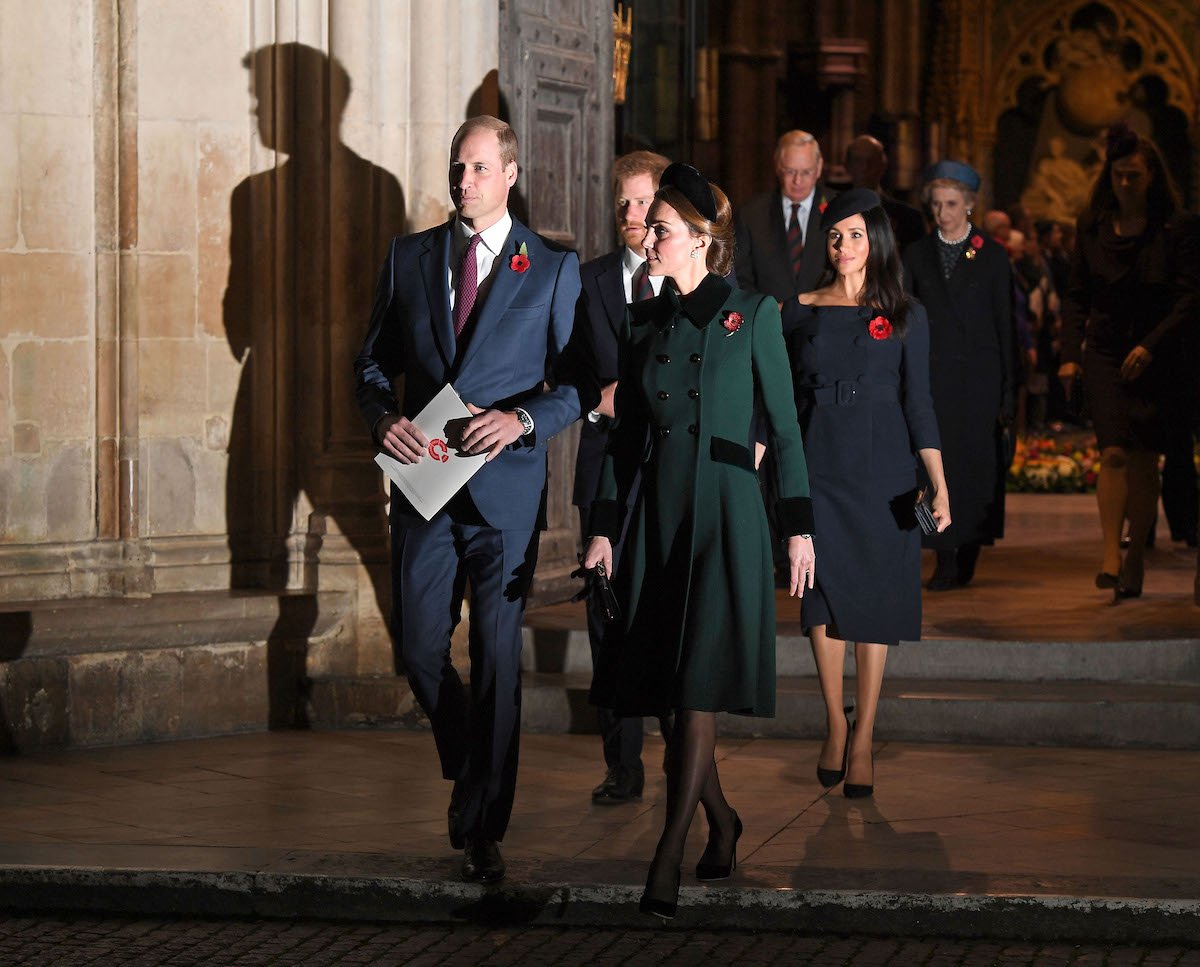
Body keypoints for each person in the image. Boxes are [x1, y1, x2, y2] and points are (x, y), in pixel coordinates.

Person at [583, 163, 815, 919]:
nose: (648, 236)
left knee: (697, 685)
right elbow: (624, 443)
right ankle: (723, 818)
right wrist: (603, 530)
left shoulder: (752, 314)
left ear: (700, 242)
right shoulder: (640, 320)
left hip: (724, 514)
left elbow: (783, 430)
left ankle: (668, 851)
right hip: (659, 514)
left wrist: (800, 526)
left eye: (662, 228)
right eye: (650, 226)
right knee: (666, 696)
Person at [354, 116, 582, 883]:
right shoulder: (410, 256)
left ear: (510, 173)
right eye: (457, 169)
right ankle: (467, 756)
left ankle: (484, 818)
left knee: (495, 660)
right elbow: (372, 365)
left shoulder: (550, 268)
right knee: (419, 647)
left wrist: (522, 417)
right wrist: (385, 418)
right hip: (425, 491)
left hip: (505, 493)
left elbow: (577, 384)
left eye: (479, 169)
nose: (463, 183)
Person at [781, 188, 949, 803]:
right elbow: (784, 401)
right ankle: (833, 721)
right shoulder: (797, 309)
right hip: (820, 463)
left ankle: (865, 735)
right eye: (834, 236)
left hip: (886, 474)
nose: (844, 246)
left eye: (855, 234)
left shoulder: (906, 313)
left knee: (875, 597)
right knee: (822, 598)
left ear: (876, 240)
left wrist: (938, 481)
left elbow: (920, 403)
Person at [1058, 124, 1200, 600]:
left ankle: (1136, 550)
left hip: (1158, 352)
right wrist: (1069, 357)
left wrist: (1153, 346)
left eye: (1134, 176)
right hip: (1104, 350)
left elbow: (1187, 297)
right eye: (1118, 175)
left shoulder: (1174, 228)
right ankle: (1111, 555)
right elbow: (1076, 296)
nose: (1125, 184)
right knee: (1113, 451)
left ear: (1152, 176)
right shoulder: (1093, 226)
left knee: (1143, 460)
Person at [572, 149, 671, 805]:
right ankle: (622, 763)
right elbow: (565, 363)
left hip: (670, 474)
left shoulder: (691, 279)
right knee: (609, 619)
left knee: (666, 613)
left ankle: (682, 751)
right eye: (625, 204)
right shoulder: (589, 281)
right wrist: (594, 397)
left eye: (644, 203)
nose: (633, 216)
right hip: (606, 466)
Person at [903, 161, 1015, 590]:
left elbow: (1005, 324)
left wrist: (1008, 393)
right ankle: (943, 553)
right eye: (936, 204)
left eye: (951, 204)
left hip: (977, 382)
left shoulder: (991, 254)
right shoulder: (916, 254)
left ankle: (965, 549)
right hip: (932, 380)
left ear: (969, 205)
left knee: (972, 468)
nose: (942, 213)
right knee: (934, 467)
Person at [734, 130, 836, 303]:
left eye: (806, 172)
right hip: (768, 321)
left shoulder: (837, 209)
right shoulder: (751, 215)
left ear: (818, 168)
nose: (797, 180)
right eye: (790, 171)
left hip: (825, 318)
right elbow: (741, 277)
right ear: (777, 167)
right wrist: (766, 311)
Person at [844, 134, 926, 255]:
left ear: (882, 165)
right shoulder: (833, 213)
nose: (865, 167)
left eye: (871, 161)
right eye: (858, 161)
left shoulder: (910, 218)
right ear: (847, 166)